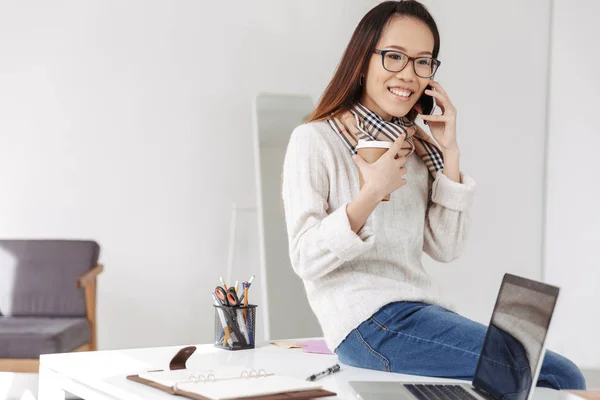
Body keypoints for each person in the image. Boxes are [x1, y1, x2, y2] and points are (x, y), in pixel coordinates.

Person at [281, 0, 586, 390]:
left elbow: (446, 247)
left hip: (417, 312)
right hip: (365, 324)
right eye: (394, 57)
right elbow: (304, 257)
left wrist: (450, 154)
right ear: (362, 60)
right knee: (558, 374)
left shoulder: (417, 147)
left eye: (422, 62)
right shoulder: (315, 140)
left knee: (535, 376)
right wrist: (372, 192)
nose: (408, 75)